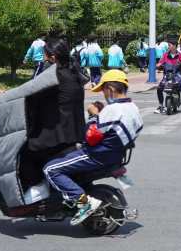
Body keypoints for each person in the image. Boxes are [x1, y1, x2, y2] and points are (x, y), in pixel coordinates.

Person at [43, 70, 142, 226]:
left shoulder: (112, 110)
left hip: (97, 155)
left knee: (50, 169)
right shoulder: (134, 109)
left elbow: (89, 136)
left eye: (103, 90)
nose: (103, 93)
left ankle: (83, 202)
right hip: (115, 155)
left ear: (110, 89)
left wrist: (94, 114)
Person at [20, 38, 88, 189]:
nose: (43, 59)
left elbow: (32, 98)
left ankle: (36, 191)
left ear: (53, 57)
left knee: (24, 153)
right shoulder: (74, 72)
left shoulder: (53, 77)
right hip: (75, 133)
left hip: (59, 136)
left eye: (45, 56)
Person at [155, 42, 181, 113]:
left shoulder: (180, 55)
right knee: (159, 88)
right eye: (168, 45)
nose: (168, 47)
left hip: (177, 75)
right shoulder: (165, 55)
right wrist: (158, 65)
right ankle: (160, 105)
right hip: (167, 75)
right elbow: (160, 62)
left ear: (174, 46)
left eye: (169, 45)